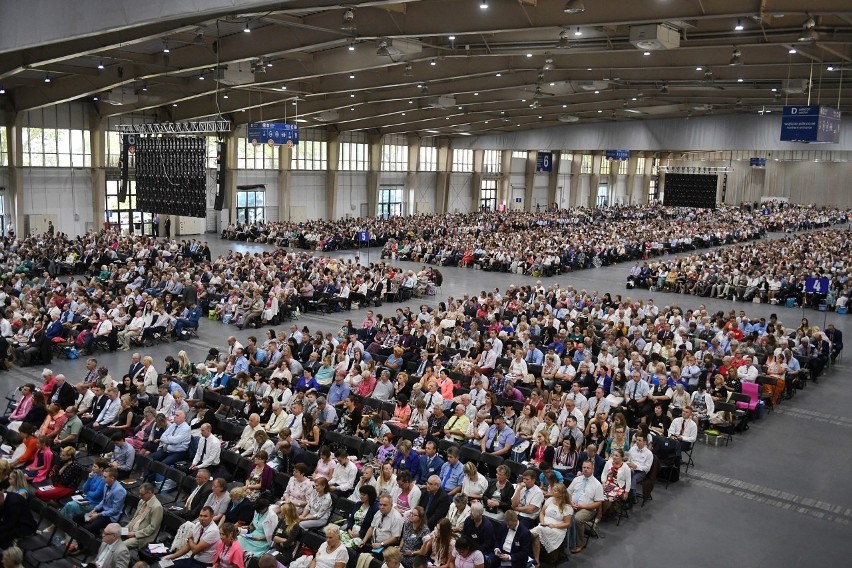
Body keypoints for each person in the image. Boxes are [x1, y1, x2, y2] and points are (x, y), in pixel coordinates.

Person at [567, 461, 604, 554]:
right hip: (572, 504)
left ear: (592, 469)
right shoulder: (577, 479)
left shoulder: (597, 484)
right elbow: (568, 492)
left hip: (588, 509)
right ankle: (564, 540)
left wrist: (583, 506)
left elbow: (599, 503)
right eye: (584, 467)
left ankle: (580, 544)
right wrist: (571, 502)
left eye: (588, 468)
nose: (585, 469)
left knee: (577, 519)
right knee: (560, 512)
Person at [76, 467, 126, 534]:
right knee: (78, 518)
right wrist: (94, 510)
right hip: (102, 511)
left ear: (112, 478)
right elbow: (103, 500)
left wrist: (98, 515)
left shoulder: (119, 491)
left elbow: (115, 511)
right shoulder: (106, 485)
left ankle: (88, 537)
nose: (103, 478)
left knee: (87, 528)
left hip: (110, 517)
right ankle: (87, 535)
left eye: (105, 477)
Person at [122, 482, 164, 550]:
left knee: (122, 546)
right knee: (113, 534)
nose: (139, 496)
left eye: (142, 494)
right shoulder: (142, 501)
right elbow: (135, 518)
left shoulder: (157, 507)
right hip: (130, 530)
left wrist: (135, 534)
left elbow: (152, 528)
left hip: (141, 536)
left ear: (149, 493)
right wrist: (126, 528)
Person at [341, 485, 379, 549]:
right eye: (360, 494)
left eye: (363, 495)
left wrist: (359, 534)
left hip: (361, 536)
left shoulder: (374, 509)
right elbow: (351, 519)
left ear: (369, 496)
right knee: (336, 539)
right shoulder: (358, 504)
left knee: (346, 546)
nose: (361, 496)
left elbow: (371, 526)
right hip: (351, 532)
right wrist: (349, 529)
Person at [599, 448, 631, 519]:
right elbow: (604, 473)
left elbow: (628, 481)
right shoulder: (609, 462)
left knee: (608, 497)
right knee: (597, 492)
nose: (614, 457)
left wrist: (626, 493)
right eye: (613, 455)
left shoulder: (626, 468)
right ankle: (600, 512)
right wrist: (603, 482)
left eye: (617, 456)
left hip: (618, 486)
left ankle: (602, 513)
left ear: (621, 457)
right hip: (607, 483)